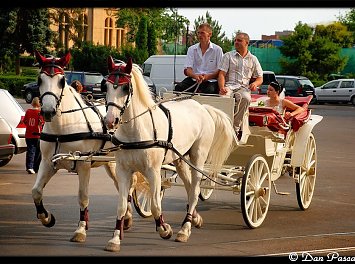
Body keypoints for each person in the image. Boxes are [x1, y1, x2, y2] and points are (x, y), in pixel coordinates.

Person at [218, 32, 263, 138]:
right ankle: (222, 126)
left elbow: (260, 78)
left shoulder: (253, 59)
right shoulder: (228, 56)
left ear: (246, 43)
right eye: (235, 40)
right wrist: (222, 87)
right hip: (229, 86)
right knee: (223, 98)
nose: (236, 42)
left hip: (244, 88)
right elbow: (221, 74)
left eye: (239, 40)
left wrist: (255, 83)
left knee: (246, 98)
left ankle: (235, 128)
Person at [174, 23, 223, 94]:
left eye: (202, 33)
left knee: (210, 91)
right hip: (194, 80)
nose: (199, 35)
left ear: (210, 34)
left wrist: (207, 77)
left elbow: (220, 71)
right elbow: (188, 69)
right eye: (198, 33)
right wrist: (195, 76)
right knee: (178, 88)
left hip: (211, 81)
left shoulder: (218, 50)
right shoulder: (191, 49)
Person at [23, 97, 44, 174]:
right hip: (37, 135)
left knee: (30, 151)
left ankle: (29, 166)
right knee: (38, 152)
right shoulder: (40, 112)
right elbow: (41, 123)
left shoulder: (28, 111)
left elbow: (25, 121)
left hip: (28, 134)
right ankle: (35, 167)